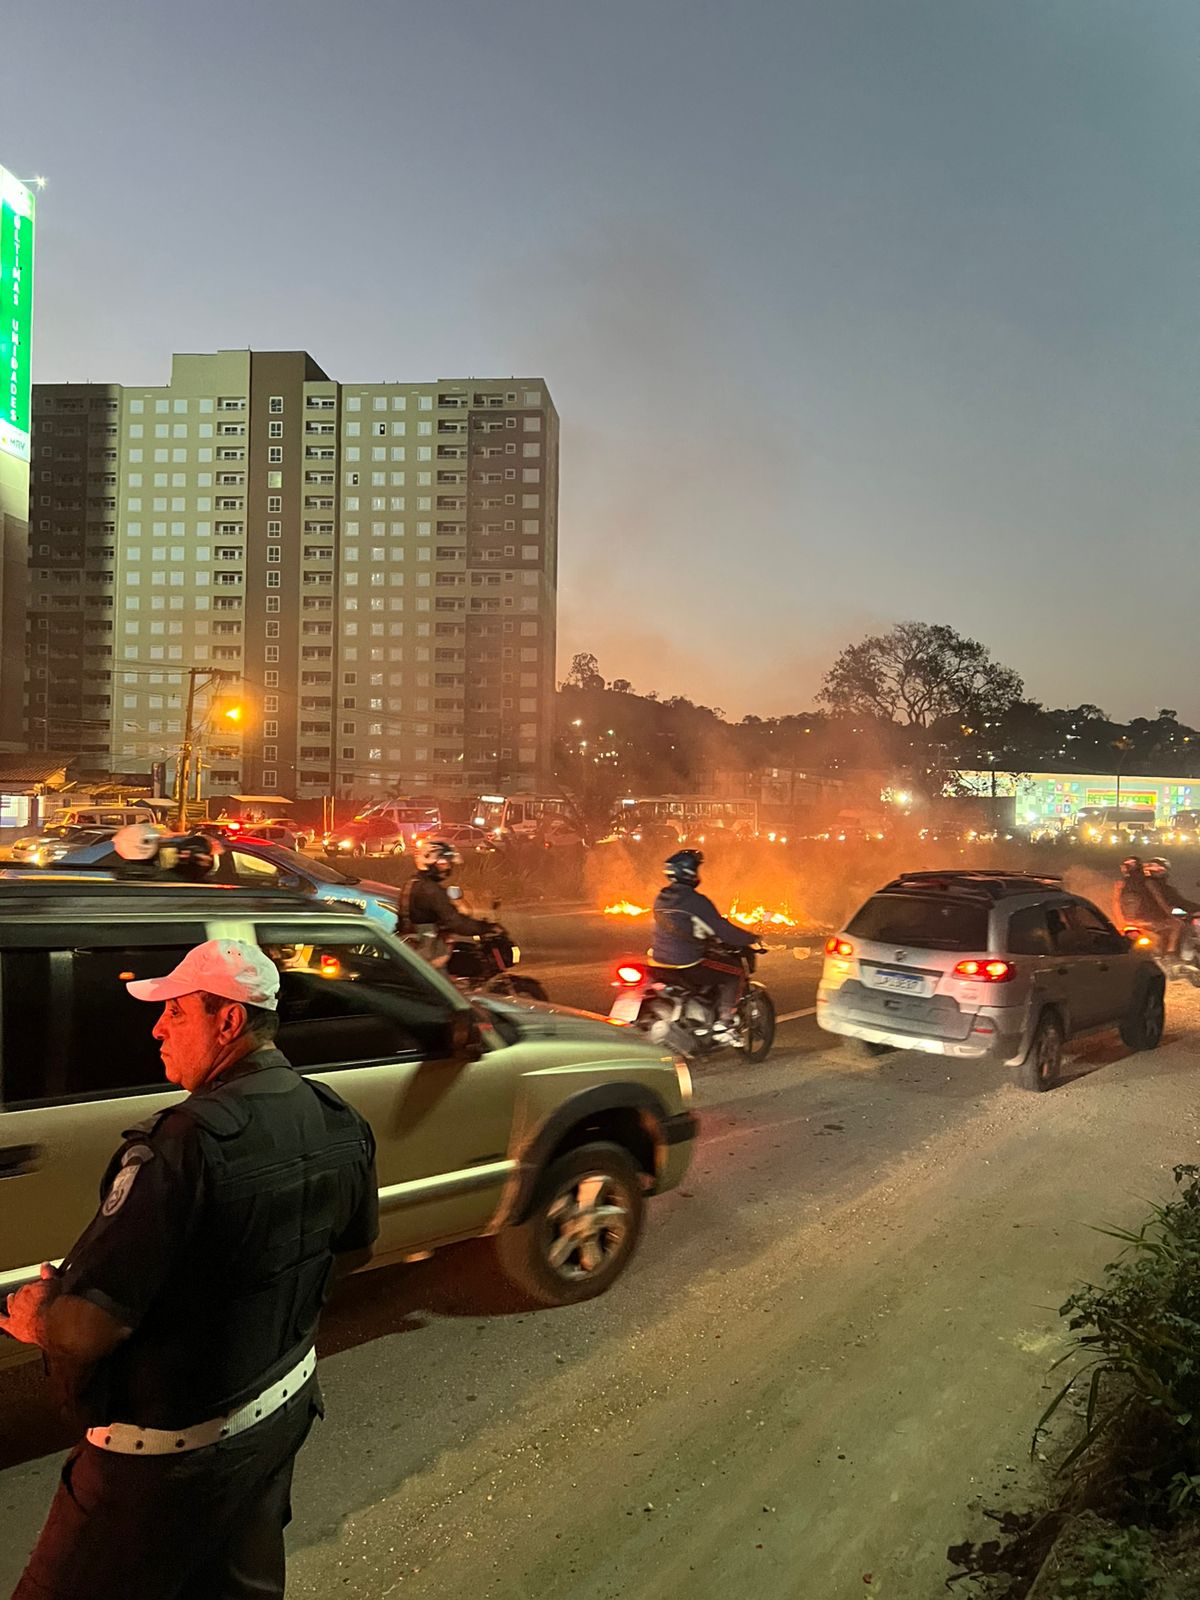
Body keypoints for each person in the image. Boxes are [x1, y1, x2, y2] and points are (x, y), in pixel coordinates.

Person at [1, 938, 378, 1600]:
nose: (157, 1028)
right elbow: (352, 1252)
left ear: (228, 1021)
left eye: (175, 1011)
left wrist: (38, 1319)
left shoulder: (185, 1145)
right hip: (278, 1413)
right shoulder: (338, 1118)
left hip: (160, 1465)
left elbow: (86, 1330)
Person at [650, 848, 757, 1037]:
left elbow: (685, 926)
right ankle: (725, 1022)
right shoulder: (695, 901)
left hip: (660, 961)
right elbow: (723, 930)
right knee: (735, 972)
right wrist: (750, 938)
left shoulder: (661, 898)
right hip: (687, 963)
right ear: (689, 872)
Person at [397, 838, 493, 956]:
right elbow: (455, 922)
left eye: (448, 864)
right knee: (448, 960)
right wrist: (486, 928)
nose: (447, 868)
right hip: (426, 952)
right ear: (429, 863)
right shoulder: (431, 890)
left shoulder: (412, 883)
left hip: (411, 947)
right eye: (442, 864)